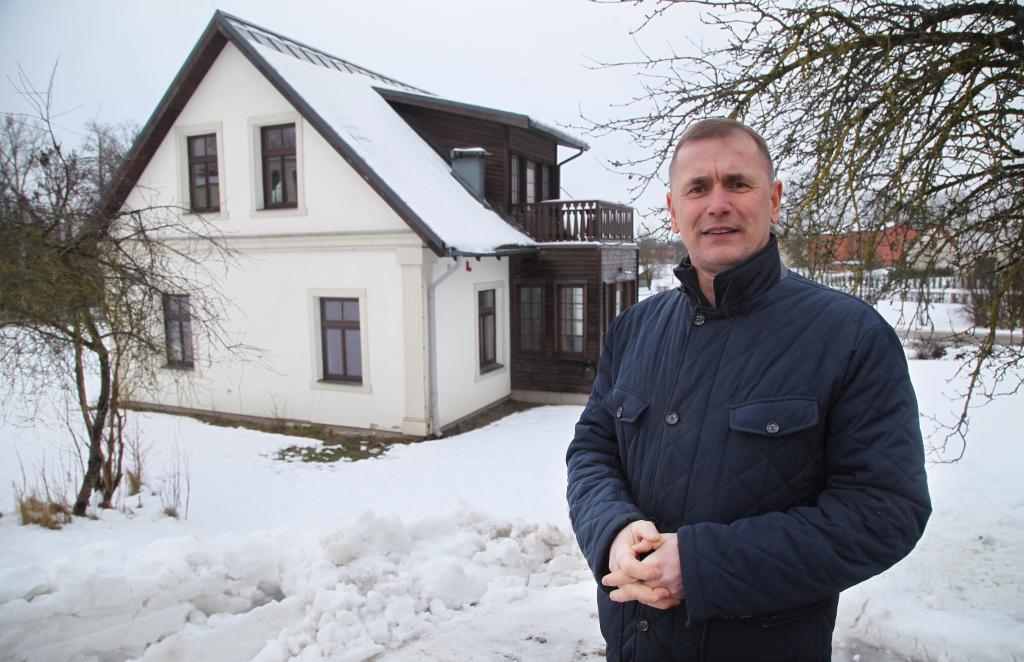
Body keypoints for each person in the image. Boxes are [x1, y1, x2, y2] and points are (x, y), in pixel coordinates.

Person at [566, 118, 931, 661]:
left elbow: (884, 510)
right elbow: (592, 451)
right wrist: (614, 531)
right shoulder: (636, 329)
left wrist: (701, 564)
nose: (717, 204)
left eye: (737, 183)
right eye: (697, 188)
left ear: (775, 199)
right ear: (673, 210)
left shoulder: (849, 336)